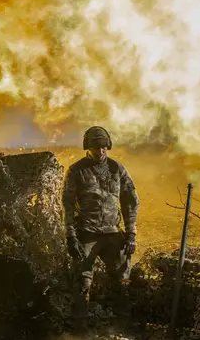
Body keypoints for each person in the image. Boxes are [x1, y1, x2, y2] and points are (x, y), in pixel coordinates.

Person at [62, 125, 140, 316]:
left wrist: (131, 233)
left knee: (122, 279)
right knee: (82, 281)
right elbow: (68, 205)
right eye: (96, 148)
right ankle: (80, 325)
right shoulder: (77, 171)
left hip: (113, 232)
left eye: (104, 147)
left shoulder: (117, 169)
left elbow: (130, 201)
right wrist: (71, 236)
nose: (101, 151)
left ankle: (122, 322)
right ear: (88, 148)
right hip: (87, 234)